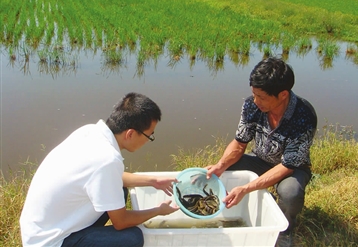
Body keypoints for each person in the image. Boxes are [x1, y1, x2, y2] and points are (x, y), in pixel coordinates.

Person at [20, 92, 180, 247]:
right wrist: (158, 211)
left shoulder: (90, 132)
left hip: (38, 228)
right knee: (133, 238)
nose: (148, 141)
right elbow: (121, 222)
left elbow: (112, 177)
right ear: (130, 134)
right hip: (50, 242)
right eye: (149, 136)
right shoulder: (107, 159)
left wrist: (154, 181)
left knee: (120, 191)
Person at [206, 57, 317, 247]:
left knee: (290, 192)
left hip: (292, 168)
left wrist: (247, 187)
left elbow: (288, 166)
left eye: (262, 97)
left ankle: (285, 231)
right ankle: (260, 203)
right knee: (228, 169)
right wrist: (220, 165)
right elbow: (240, 142)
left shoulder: (303, 115)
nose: (256, 101)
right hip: (260, 159)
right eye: (254, 95)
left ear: (283, 95)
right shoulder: (252, 105)